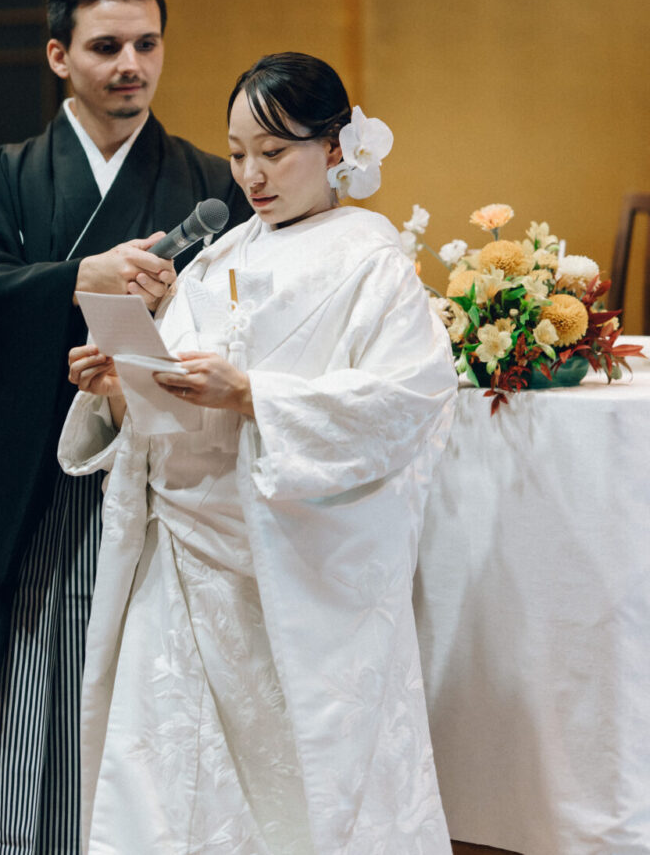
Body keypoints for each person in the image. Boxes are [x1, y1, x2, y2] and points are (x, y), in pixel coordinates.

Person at [60, 52, 457, 855]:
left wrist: (254, 396)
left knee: (300, 789)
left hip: (292, 565)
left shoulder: (370, 260)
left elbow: (410, 401)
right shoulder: (221, 253)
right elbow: (170, 402)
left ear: (336, 149)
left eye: (273, 153)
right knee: (167, 782)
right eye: (238, 153)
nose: (250, 174)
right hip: (182, 556)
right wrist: (116, 384)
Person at [0, 0, 248, 855]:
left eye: (148, 43)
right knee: (39, 687)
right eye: (106, 45)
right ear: (60, 55)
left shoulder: (204, 183)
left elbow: (243, 323)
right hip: (44, 488)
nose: (130, 65)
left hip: (161, 485)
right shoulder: (9, 179)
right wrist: (78, 279)